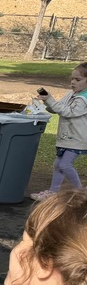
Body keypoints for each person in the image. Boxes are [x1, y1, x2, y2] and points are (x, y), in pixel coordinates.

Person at [32, 63, 87, 201]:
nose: (73, 82)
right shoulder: (72, 94)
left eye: (78, 80)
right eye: (72, 79)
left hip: (77, 139)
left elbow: (68, 112)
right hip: (66, 137)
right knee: (58, 165)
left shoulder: (83, 99)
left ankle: (80, 193)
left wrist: (51, 100)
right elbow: (58, 108)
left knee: (64, 165)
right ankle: (53, 192)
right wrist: (47, 101)